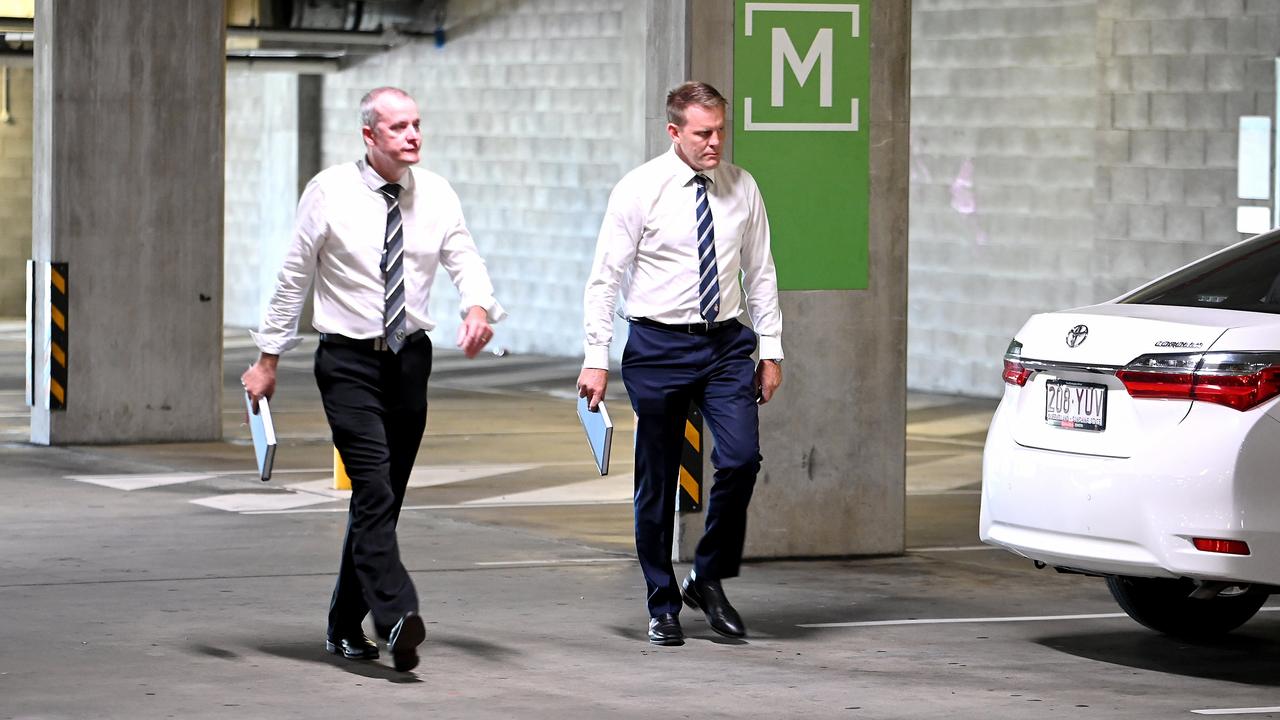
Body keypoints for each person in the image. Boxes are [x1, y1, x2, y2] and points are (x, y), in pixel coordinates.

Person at [242, 86, 505, 672]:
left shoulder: (435, 193)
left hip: (410, 360)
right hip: (348, 363)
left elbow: (464, 257)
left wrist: (478, 308)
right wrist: (268, 359)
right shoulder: (328, 192)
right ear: (370, 136)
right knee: (375, 489)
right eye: (398, 128)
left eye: (416, 124)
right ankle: (396, 615)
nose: (413, 136)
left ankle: (342, 624)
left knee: (380, 502)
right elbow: (293, 277)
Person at [577, 81, 783, 646]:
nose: (715, 142)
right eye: (703, 133)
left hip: (724, 347)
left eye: (720, 130)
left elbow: (760, 273)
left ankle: (708, 577)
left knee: (740, 459)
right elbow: (605, 280)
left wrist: (771, 348)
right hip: (657, 348)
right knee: (658, 481)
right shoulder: (639, 189)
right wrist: (596, 357)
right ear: (675, 132)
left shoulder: (743, 187)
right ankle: (661, 600)